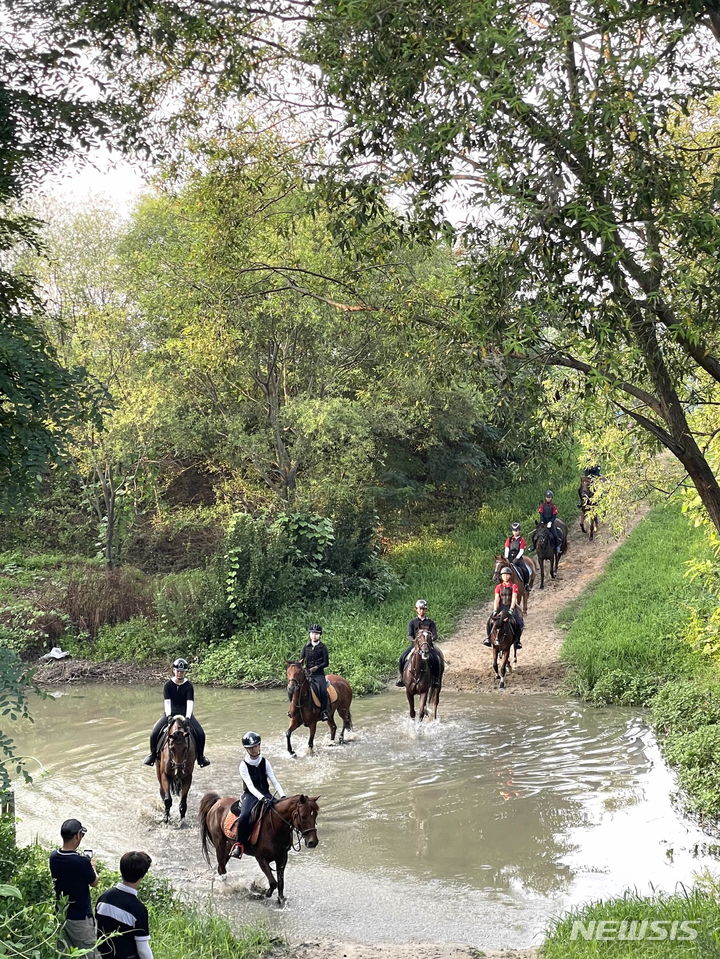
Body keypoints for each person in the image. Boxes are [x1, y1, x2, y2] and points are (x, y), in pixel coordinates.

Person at [143, 657, 210, 767]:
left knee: (201, 733)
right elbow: (167, 702)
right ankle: (152, 755)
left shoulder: (189, 686)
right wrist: (169, 715)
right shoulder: (168, 685)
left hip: (185, 714)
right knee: (154, 732)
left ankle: (201, 757)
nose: (180, 673)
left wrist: (188, 717)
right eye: (178, 671)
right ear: (174, 671)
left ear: (185, 672)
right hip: (170, 713)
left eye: (182, 672)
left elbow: (190, 702)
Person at [229, 731, 286, 859]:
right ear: (246, 749)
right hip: (250, 795)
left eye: (255, 746)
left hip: (266, 793)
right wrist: (261, 798)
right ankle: (239, 845)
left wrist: (283, 796)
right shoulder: (243, 765)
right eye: (250, 748)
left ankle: (285, 841)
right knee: (244, 817)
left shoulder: (265, 762)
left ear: (259, 746)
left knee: (283, 813)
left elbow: (274, 781)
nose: (254, 750)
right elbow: (250, 786)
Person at [49, 818, 99, 959]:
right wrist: (93, 867)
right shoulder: (81, 862)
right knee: (89, 955)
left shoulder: (53, 857)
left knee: (64, 954)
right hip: (80, 919)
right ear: (77, 836)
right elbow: (94, 882)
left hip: (61, 915)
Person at [95, 851, 153, 959]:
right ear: (142, 876)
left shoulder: (104, 898)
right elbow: (143, 950)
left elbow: (96, 930)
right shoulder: (138, 909)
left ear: (121, 869)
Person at [395, 599, 442, 688]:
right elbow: (409, 635)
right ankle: (401, 678)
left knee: (436, 659)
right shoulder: (412, 622)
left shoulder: (430, 622)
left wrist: (429, 639)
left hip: (427, 646)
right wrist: (414, 641)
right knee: (402, 658)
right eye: (420, 609)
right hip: (415, 646)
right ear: (416, 609)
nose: (422, 610)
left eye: (423, 609)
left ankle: (435, 680)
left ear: (426, 610)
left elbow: (435, 635)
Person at [296, 624, 330, 721]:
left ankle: (324, 712)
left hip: (318, 674)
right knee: (295, 688)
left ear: (319, 635)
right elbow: (301, 659)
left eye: (316, 634)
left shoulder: (323, 647)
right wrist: (300, 665)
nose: (314, 635)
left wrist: (317, 667)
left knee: (323, 691)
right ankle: (294, 709)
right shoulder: (306, 647)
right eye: (312, 633)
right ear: (310, 635)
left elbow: (326, 662)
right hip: (307, 673)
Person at [484, 567, 523, 649]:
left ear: (510, 576)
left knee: (518, 622)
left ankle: (517, 641)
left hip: (510, 606)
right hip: (501, 607)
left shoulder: (514, 586)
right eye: (504, 575)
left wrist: (511, 609)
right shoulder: (498, 587)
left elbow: (513, 598)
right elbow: (497, 599)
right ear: (501, 576)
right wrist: (495, 610)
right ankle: (488, 638)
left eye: (507, 575)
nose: (505, 576)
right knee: (489, 621)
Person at [504, 522, 530, 589]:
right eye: (513, 531)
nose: (515, 532)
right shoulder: (509, 539)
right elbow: (507, 549)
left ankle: (526, 584)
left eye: (516, 531)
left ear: (519, 531)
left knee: (525, 570)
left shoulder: (521, 540)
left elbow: (521, 551)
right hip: (509, 558)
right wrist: (506, 557)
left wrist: (517, 558)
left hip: (518, 558)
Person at [537, 489, 562, 554]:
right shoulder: (542, 505)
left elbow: (554, 516)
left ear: (551, 498)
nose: (548, 499)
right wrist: (542, 521)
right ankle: (534, 547)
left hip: (550, 523)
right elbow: (541, 514)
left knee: (555, 535)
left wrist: (550, 522)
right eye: (547, 497)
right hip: (544, 522)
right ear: (545, 497)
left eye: (549, 497)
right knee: (536, 534)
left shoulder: (553, 506)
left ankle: (557, 547)